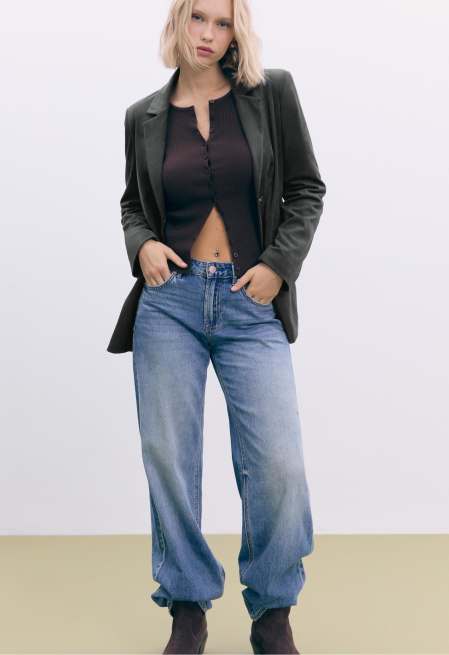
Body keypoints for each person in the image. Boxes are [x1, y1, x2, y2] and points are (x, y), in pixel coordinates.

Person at [108, 1, 326, 652]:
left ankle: (272, 612)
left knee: (278, 464)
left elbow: (305, 190)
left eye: (223, 22)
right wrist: (143, 244)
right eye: (198, 17)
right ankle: (186, 607)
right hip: (168, 304)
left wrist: (278, 266)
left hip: (249, 303)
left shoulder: (271, 94)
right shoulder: (143, 116)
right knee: (168, 458)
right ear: (177, 20)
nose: (208, 34)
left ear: (237, 31)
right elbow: (132, 204)